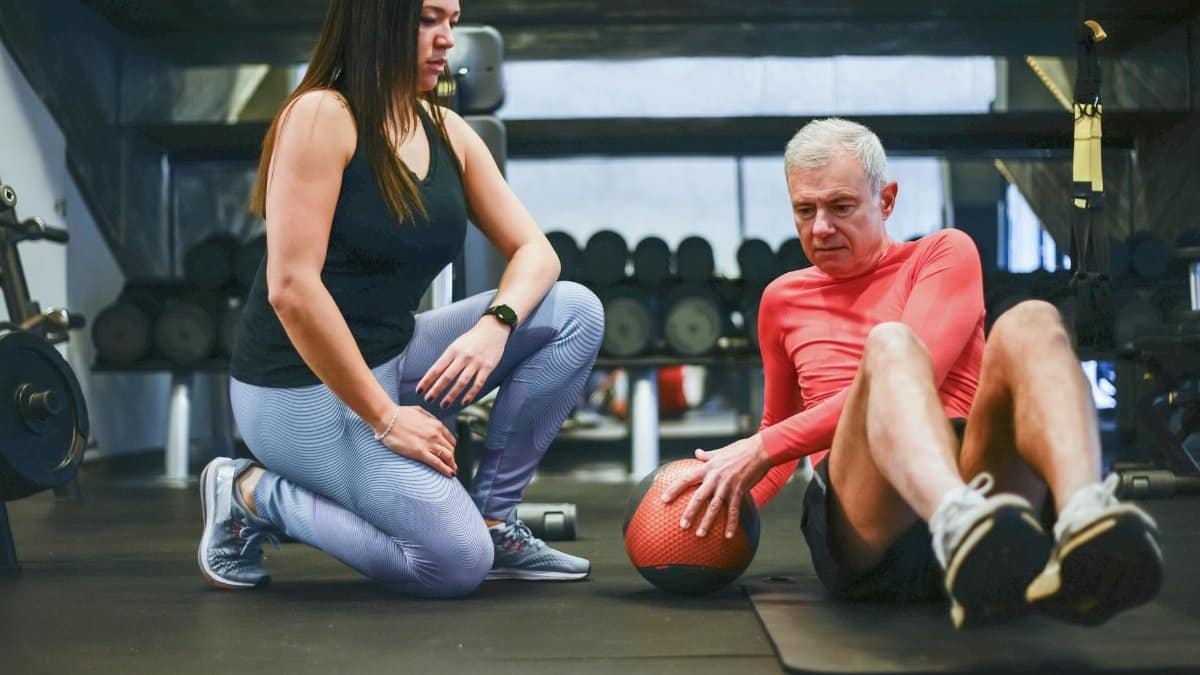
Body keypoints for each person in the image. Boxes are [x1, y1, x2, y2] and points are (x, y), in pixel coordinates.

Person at [661, 118, 1163, 628]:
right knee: (891, 345)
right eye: (804, 210)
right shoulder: (780, 299)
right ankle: (954, 521)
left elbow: (911, 365)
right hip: (866, 519)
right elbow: (777, 430)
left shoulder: (943, 253)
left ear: (886, 200)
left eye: (840, 207)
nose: (820, 228)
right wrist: (714, 504)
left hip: (989, 503)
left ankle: (1082, 519)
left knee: (1030, 319)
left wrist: (760, 448)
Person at [196, 0, 604, 598]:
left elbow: (537, 253)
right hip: (298, 388)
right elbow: (292, 290)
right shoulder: (320, 116)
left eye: (452, 23)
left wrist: (496, 323)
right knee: (454, 563)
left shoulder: (445, 130)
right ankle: (251, 494)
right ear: (374, 19)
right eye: (426, 20)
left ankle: (497, 518)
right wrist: (386, 419)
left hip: (395, 355)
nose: (447, 41)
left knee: (573, 310)